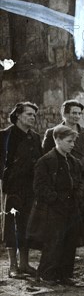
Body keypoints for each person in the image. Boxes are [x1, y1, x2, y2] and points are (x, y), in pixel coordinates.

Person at [42, 100, 84, 271]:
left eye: (78, 113)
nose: (76, 116)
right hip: (63, 182)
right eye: (73, 112)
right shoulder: (53, 133)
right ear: (64, 113)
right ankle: (63, 258)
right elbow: (47, 157)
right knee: (67, 220)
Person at [28, 125, 81, 285]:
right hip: (53, 210)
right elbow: (39, 187)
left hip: (71, 208)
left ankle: (65, 274)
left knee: (69, 241)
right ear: (57, 140)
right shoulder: (45, 161)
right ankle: (47, 275)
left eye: (73, 141)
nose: (72, 145)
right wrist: (55, 199)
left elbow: (78, 182)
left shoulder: (73, 161)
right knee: (53, 242)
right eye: (69, 141)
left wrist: (76, 197)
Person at [0, 102, 43, 278]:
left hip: (30, 188)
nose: (32, 118)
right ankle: (12, 266)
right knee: (12, 224)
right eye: (29, 114)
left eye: (34, 115)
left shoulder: (35, 137)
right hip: (13, 189)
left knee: (27, 224)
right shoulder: (5, 136)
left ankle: (24, 264)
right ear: (18, 115)